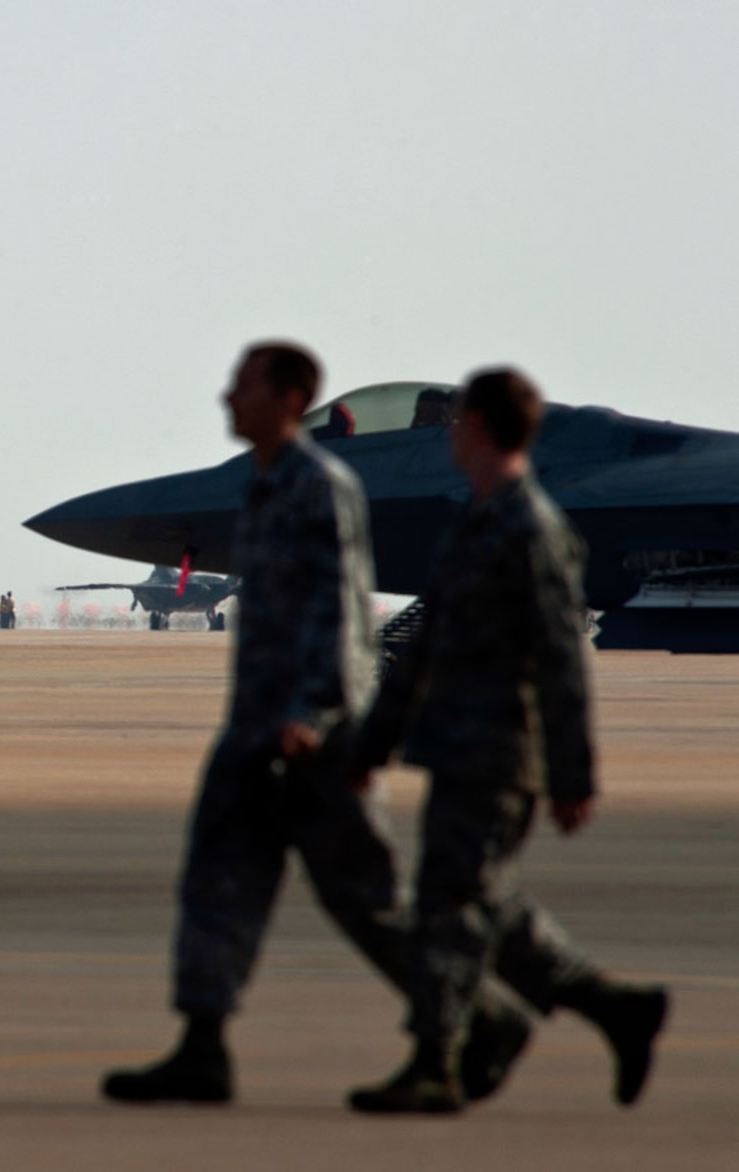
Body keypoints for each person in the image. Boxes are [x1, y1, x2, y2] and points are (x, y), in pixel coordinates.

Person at [101, 342, 528, 1106]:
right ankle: (203, 1046)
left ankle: (481, 1017)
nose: (227, 399)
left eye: (243, 386)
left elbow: (340, 615)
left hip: (315, 735)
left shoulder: (321, 487)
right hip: (256, 729)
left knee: (364, 899)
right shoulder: (263, 489)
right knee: (217, 881)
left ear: (292, 398)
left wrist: (310, 715)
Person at [345, 368, 669, 1114]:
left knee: (448, 906)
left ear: (485, 428)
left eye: (458, 422)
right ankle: (613, 1006)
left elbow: (561, 658)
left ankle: (438, 1058)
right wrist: (375, 740)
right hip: (457, 746)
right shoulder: (478, 522)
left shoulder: (533, 530)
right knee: (477, 901)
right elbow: (422, 649)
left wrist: (571, 772)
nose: (449, 434)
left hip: (500, 754)